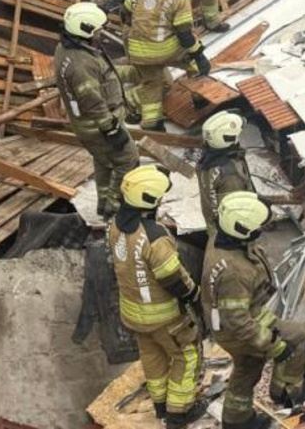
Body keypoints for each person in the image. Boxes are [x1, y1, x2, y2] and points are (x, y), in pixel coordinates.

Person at [202, 191, 305, 429]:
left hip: (249, 314)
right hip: (238, 328)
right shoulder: (234, 272)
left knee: (299, 334)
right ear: (242, 230)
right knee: (248, 370)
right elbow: (238, 322)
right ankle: (237, 421)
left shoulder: (223, 238)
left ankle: (283, 390)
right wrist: (274, 346)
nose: (261, 231)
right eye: (257, 227)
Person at [110, 165, 205, 428]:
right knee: (186, 357)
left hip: (132, 313)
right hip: (163, 315)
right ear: (149, 200)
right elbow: (173, 277)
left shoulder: (115, 226)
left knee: (153, 358)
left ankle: (161, 407)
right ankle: (179, 414)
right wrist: (195, 295)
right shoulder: (154, 236)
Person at [55, 2, 139, 217]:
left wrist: (129, 73)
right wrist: (112, 129)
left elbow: (100, 77)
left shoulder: (69, 48)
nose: (101, 33)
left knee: (104, 161)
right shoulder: (80, 64)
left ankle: (103, 202)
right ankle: (115, 205)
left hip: (90, 125)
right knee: (127, 159)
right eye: (98, 30)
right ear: (84, 29)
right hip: (97, 126)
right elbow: (91, 101)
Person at [125, 0, 210, 130]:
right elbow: (185, 34)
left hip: (137, 51)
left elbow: (124, 12)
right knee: (194, 64)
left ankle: (151, 122)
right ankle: (200, 99)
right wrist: (199, 55)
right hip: (164, 48)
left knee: (151, 84)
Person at [198, 110, 256, 236]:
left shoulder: (208, 159)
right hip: (228, 233)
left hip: (214, 227)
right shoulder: (230, 175)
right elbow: (235, 214)